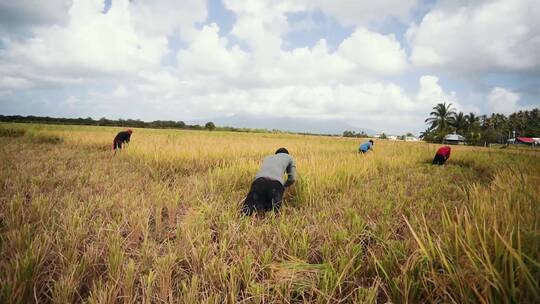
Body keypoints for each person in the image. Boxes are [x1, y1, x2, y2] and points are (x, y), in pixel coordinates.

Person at [242, 147, 297, 215]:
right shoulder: (289, 157)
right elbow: (293, 178)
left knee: (246, 212)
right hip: (275, 185)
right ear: (287, 154)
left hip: (259, 182)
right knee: (273, 215)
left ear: (276, 154)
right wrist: (284, 186)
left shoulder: (268, 157)